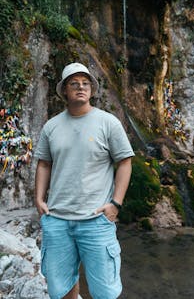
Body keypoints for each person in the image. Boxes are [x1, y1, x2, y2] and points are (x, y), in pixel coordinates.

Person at [34, 62, 134, 299]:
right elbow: (44, 163)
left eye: (85, 83)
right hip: (57, 220)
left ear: (92, 89)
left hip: (96, 220)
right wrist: (38, 198)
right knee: (61, 287)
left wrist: (116, 203)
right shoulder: (51, 127)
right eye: (74, 84)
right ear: (64, 91)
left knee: (105, 291)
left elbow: (125, 162)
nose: (81, 87)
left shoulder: (108, 122)